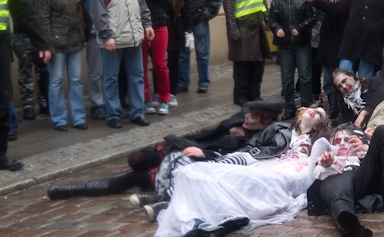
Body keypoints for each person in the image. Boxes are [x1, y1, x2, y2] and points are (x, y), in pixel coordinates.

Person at [153, 106, 331, 237]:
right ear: (301, 111)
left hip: (278, 171)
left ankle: (191, 219)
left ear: (319, 125)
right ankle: (204, 219)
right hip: (255, 161)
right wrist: (225, 157)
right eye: (313, 109)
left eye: (319, 114)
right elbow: (252, 147)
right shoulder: (278, 128)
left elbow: (323, 162)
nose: (314, 112)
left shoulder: (316, 143)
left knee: (199, 176)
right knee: (190, 172)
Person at [47, 101, 283, 202]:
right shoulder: (236, 120)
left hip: (191, 162)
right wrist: (176, 142)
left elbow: (230, 161)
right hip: (182, 147)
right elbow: (206, 134)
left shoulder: (252, 141)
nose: (247, 115)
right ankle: (152, 172)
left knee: (131, 179)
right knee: (136, 158)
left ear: (262, 122)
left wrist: (204, 155)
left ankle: (72, 190)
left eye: (253, 114)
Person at [307, 123, 384, 237]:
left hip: (360, 177)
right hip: (336, 179)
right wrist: (327, 164)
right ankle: (350, 226)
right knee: (338, 188)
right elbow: (314, 176)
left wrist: (366, 150)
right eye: (338, 140)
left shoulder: (362, 151)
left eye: (348, 140)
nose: (343, 143)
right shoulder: (329, 152)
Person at [89, 0, 155, 129]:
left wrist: (147, 23)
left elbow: (141, 3)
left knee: (137, 75)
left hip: (133, 37)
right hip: (113, 40)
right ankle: (113, 114)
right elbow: (97, 12)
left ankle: (137, 112)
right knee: (111, 79)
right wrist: (107, 35)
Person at [0, 0, 50, 171]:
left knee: (2, 98)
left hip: (1, 42)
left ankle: (0, 156)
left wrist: (41, 42)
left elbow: (24, 10)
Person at [301, 0, 356, 123]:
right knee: (328, 77)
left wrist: (316, 0)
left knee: (344, 76)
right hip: (328, 35)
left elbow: (338, 9)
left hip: (344, 34)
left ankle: (346, 109)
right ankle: (334, 110)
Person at [34, 0, 86, 131]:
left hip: (75, 41)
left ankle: (78, 117)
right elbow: (43, 19)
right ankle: (59, 119)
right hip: (57, 43)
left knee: (76, 80)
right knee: (56, 80)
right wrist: (48, 45)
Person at [224, 0, 270, 106]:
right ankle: (241, 96)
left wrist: (268, 19)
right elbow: (228, 5)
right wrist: (232, 29)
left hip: (257, 24)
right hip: (242, 25)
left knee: (258, 62)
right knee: (243, 63)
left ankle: (254, 94)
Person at [269, 0, 316, 120]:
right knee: (287, 78)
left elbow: (312, 17)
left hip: (302, 43)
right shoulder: (276, 2)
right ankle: (289, 107)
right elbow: (271, 20)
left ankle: (306, 106)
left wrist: (301, 27)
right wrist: (276, 29)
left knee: (305, 76)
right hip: (285, 45)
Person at [130, 0, 172, 115]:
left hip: (159, 23)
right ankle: (145, 99)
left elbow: (169, 2)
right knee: (141, 65)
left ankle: (164, 98)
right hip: (139, 25)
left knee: (160, 63)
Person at [13, 0, 49, 120]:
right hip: (23, 30)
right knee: (25, 68)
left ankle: (44, 102)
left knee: (43, 67)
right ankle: (27, 105)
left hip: (42, 29)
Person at [179, 0, 221, 94]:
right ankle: (183, 82)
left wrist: (205, 15)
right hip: (184, 21)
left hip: (199, 20)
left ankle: (203, 82)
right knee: (183, 53)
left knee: (202, 54)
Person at [78, 0, 108, 120]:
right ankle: (97, 104)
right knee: (96, 70)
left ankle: (107, 101)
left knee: (107, 70)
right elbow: (93, 0)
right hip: (94, 27)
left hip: (107, 26)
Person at [160, 0, 192, 106]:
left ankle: (172, 90)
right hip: (162, 26)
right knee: (160, 62)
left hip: (177, 28)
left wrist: (188, 30)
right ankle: (160, 91)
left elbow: (186, 9)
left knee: (174, 62)